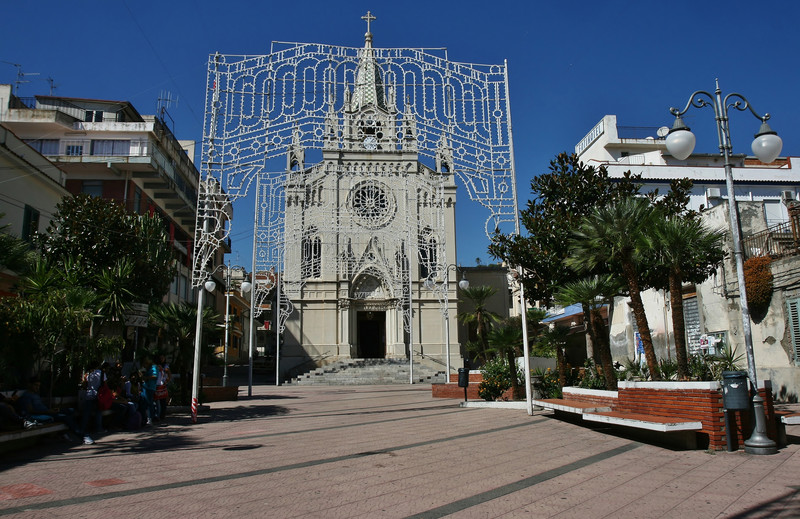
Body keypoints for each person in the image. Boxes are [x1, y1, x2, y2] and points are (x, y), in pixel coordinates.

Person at [16, 376, 80, 440]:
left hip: (48, 412)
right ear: (30, 385)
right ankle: (79, 433)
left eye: (38, 386)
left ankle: (63, 433)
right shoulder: (26, 396)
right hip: (42, 415)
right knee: (66, 417)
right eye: (35, 385)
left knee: (71, 410)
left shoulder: (36, 395)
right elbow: (31, 411)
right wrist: (47, 411)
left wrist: (51, 410)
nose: (37, 387)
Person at [80, 361, 107, 445]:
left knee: (87, 413)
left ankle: (83, 428)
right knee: (98, 411)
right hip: (98, 395)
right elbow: (105, 384)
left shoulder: (88, 374)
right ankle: (98, 428)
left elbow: (84, 385)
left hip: (89, 394)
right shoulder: (101, 373)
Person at [141, 356, 158, 426]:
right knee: (144, 402)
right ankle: (144, 418)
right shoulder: (146, 368)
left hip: (150, 387)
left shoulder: (153, 367)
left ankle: (150, 418)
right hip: (145, 387)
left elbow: (155, 376)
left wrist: (147, 377)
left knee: (149, 402)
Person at [155, 354, 171, 420]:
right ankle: (157, 414)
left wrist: (166, 381)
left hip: (163, 385)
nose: (162, 359)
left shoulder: (165, 366)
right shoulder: (156, 366)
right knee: (157, 401)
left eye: (163, 358)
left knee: (163, 401)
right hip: (156, 385)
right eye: (160, 358)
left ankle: (162, 415)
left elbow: (169, 374)